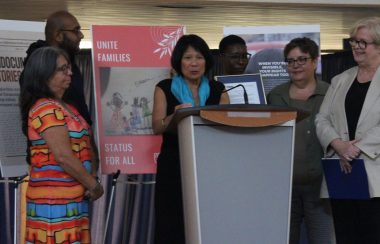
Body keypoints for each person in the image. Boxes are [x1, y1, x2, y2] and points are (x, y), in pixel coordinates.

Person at [19, 46, 104, 243]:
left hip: (73, 199)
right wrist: (93, 184)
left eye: (69, 68)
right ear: (44, 74)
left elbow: (85, 146)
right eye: (62, 69)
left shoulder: (67, 106)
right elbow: (63, 156)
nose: (70, 73)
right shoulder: (45, 108)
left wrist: (90, 179)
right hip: (54, 203)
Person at [152, 34, 229, 244]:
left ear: (207, 61)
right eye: (188, 58)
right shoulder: (164, 88)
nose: (194, 63)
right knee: (171, 224)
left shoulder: (218, 90)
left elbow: (227, 127)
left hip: (210, 166)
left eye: (199, 57)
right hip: (174, 164)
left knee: (209, 221)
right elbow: (157, 126)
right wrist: (174, 115)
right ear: (179, 61)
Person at [315, 17, 380, 244]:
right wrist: (339, 145)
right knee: (345, 236)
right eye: (354, 41)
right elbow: (321, 119)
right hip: (341, 171)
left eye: (363, 42)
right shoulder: (340, 80)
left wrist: (355, 149)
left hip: (375, 173)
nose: (356, 47)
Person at [267, 37, 335, 244]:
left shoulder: (332, 93)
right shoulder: (275, 96)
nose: (295, 65)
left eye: (302, 59)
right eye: (290, 61)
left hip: (322, 186)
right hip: (283, 188)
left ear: (315, 61)